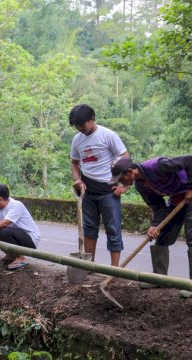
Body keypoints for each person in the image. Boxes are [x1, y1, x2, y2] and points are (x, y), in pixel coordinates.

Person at [110, 155, 192, 297]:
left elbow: (190, 161)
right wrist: (155, 225)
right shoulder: (140, 185)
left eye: (120, 178)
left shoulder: (158, 166)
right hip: (176, 198)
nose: (120, 182)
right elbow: (158, 206)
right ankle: (159, 278)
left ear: (130, 172)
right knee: (162, 236)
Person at [69, 104, 129, 267]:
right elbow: (75, 163)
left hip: (108, 190)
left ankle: (115, 270)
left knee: (113, 229)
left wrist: (125, 186)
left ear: (92, 119)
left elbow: (125, 160)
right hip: (87, 191)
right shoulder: (77, 140)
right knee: (89, 229)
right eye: (77, 125)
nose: (80, 128)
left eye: (82, 124)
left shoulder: (108, 135)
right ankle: (90, 266)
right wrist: (77, 179)